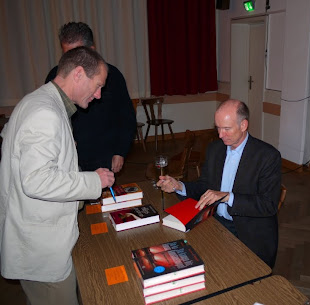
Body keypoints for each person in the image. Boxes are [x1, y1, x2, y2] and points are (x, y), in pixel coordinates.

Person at [0, 46, 115, 305]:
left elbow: (11, 142)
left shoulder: (37, 101)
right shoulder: (45, 112)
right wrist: (94, 181)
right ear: (78, 74)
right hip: (41, 245)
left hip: (34, 234)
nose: (98, 95)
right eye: (97, 85)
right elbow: (37, 180)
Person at [157, 99, 282, 268]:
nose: (221, 134)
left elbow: (268, 205)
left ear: (244, 125)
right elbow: (205, 187)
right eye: (218, 128)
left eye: (227, 129)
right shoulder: (215, 149)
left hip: (250, 233)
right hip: (215, 223)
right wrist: (180, 186)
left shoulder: (267, 156)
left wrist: (228, 197)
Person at [45, 22, 136, 173]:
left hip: (103, 155)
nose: (72, 63)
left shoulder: (112, 76)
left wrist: (120, 151)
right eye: (67, 55)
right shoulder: (55, 77)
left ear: (91, 51)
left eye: (77, 55)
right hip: (69, 156)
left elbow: (126, 117)